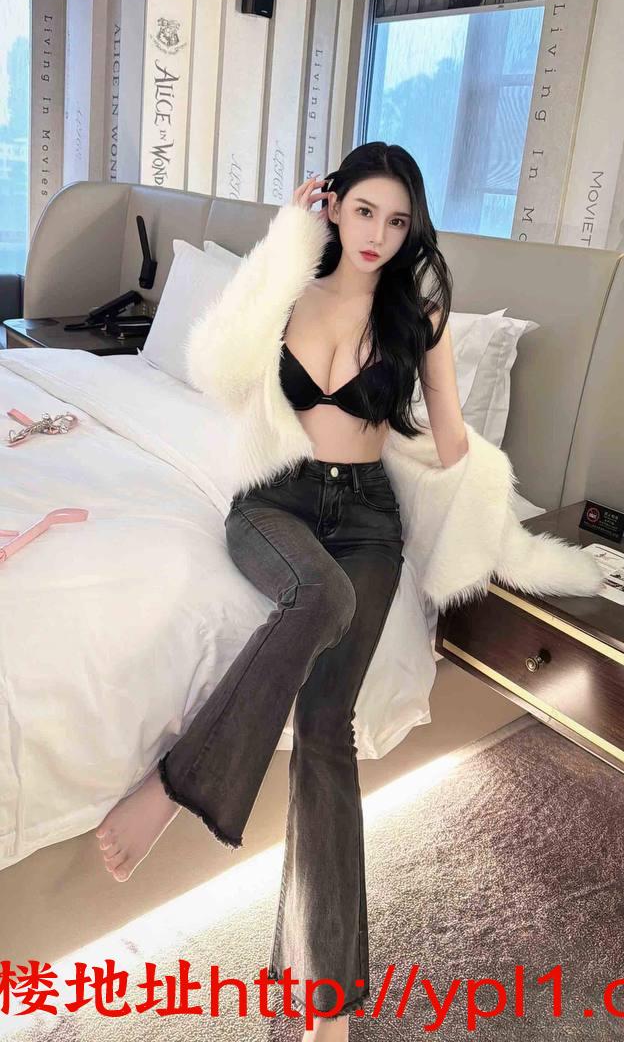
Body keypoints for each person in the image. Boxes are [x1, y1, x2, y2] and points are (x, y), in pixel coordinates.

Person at [94, 142, 468, 1037]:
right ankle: (174, 788)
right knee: (321, 597)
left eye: (398, 221)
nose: (378, 234)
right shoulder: (288, 290)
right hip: (275, 500)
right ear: (333, 206)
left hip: (370, 518)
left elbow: (453, 443)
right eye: (364, 210)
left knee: (327, 728)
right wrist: (278, 248)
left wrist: (430, 430)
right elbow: (216, 369)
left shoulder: (418, 318)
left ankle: (324, 1004)